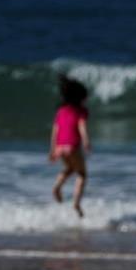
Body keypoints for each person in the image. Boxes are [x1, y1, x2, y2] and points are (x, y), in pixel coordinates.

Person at [50, 74, 92, 218]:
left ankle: (57, 187)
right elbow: (82, 126)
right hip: (73, 146)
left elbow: (55, 131)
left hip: (60, 147)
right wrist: (86, 141)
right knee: (82, 174)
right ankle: (76, 203)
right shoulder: (81, 111)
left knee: (69, 169)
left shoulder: (60, 111)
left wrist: (53, 150)